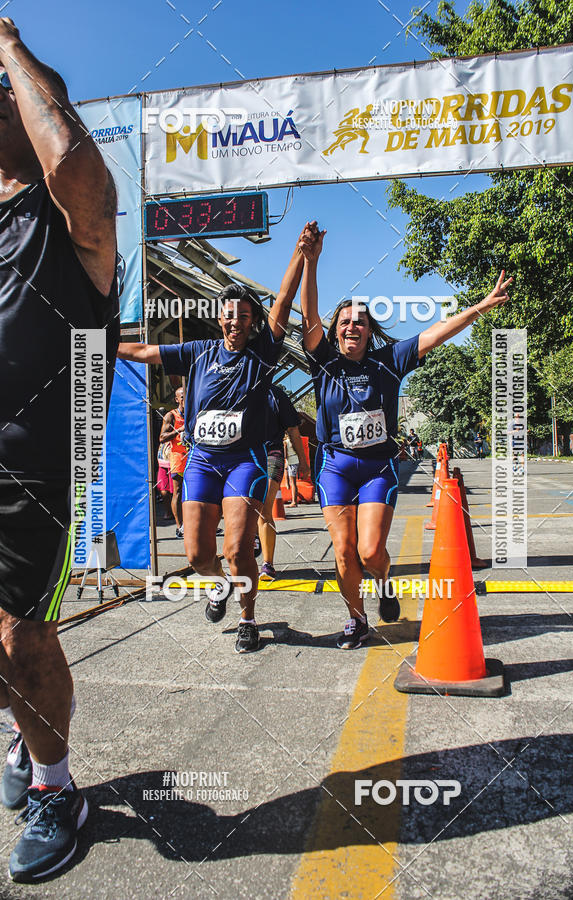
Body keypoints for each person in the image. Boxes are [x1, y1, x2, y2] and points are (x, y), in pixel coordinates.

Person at [0, 20, 119, 881]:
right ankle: (21, 733)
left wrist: (7, 40)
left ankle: (57, 790)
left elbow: (77, 166)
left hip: (37, 469)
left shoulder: (70, 218)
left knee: (19, 641)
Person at [300, 229, 512, 648]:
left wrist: (481, 308)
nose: (352, 327)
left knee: (370, 552)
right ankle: (356, 619)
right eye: (344, 322)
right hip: (336, 468)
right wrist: (310, 260)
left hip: (378, 468)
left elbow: (439, 332)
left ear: (369, 328)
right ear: (336, 331)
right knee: (344, 551)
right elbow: (308, 317)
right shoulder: (323, 361)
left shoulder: (391, 359)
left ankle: (383, 580)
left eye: (360, 321)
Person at [118, 223, 317, 653]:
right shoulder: (199, 352)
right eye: (229, 315)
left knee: (236, 546)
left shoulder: (261, 354)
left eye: (244, 316)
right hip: (202, 462)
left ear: (251, 321)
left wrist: (300, 254)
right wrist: (96, 339)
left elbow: (282, 304)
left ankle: (248, 618)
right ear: (220, 317)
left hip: (244, 463)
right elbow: (144, 351)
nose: (235, 323)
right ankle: (219, 587)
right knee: (196, 555)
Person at [258, 386, 309, 579]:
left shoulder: (276, 394)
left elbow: (293, 430)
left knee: (264, 508)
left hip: (272, 453)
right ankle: (253, 542)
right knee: (243, 510)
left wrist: (303, 462)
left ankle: (267, 564)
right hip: (243, 457)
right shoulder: (236, 388)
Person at [160, 387, 188, 537]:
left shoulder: (193, 414)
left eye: (187, 396)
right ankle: (180, 526)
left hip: (193, 455)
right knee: (177, 491)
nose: (185, 399)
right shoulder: (171, 415)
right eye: (182, 397)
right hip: (177, 456)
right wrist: (180, 430)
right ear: (177, 399)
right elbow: (162, 437)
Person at [283, 431, 307, 507]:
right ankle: (294, 500)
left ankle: (294, 502)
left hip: (291, 461)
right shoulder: (294, 442)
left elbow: (285, 455)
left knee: (293, 483)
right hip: (296, 459)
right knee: (293, 482)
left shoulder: (285, 442)